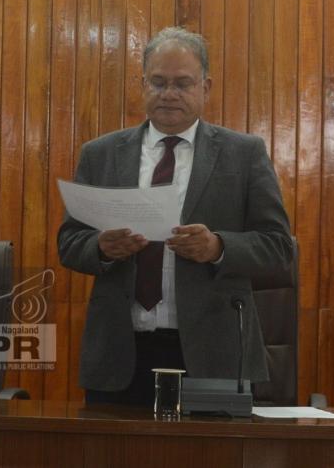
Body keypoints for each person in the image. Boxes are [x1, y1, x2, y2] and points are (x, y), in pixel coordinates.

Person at [58, 27, 294, 405]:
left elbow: (278, 247)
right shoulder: (101, 154)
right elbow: (69, 243)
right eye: (158, 82)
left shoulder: (243, 154)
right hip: (120, 353)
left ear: (206, 86)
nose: (168, 94)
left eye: (183, 83)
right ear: (142, 84)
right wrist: (101, 247)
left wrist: (217, 247)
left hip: (213, 353)